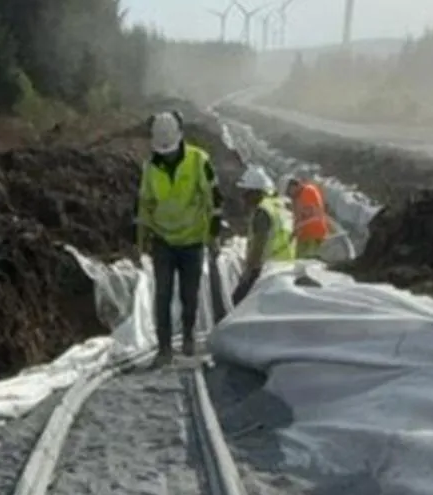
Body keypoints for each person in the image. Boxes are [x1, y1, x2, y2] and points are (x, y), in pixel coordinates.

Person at [136, 110, 222, 363]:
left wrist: (213, 235)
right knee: (162, 294)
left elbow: (214, 200)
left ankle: (187, 337)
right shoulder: (150, 167)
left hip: (193, 241)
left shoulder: (199, 161)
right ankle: (164, 348)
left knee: (189, 294)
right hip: (163, 241)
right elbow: (145, 205)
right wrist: (141, 238)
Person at [231, 170, 295, 306]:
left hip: (266, 268)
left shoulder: (263, 212)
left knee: (239, 300)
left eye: (246, 192)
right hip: (287, 265)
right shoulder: (280, 206)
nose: (243, 197)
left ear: (256, 192)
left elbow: (259, 245)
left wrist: (248, 273)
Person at [287, 175, 332, 258]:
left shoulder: (308, 192)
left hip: (313, 235)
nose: (289, 194)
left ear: (294, 186)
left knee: (308, 262)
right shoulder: (297, 197)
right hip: (304, 236)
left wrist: (298, 227)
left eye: (289, 191)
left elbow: (312, 214)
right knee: (299, 260)